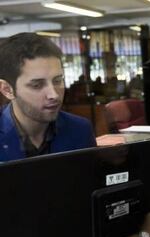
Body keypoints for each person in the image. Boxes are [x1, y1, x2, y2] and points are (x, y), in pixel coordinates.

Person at [0, 32, 96, 162]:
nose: (54, 95)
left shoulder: (80, 129)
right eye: (37, 85)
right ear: (7, 90)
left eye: (57, 81)